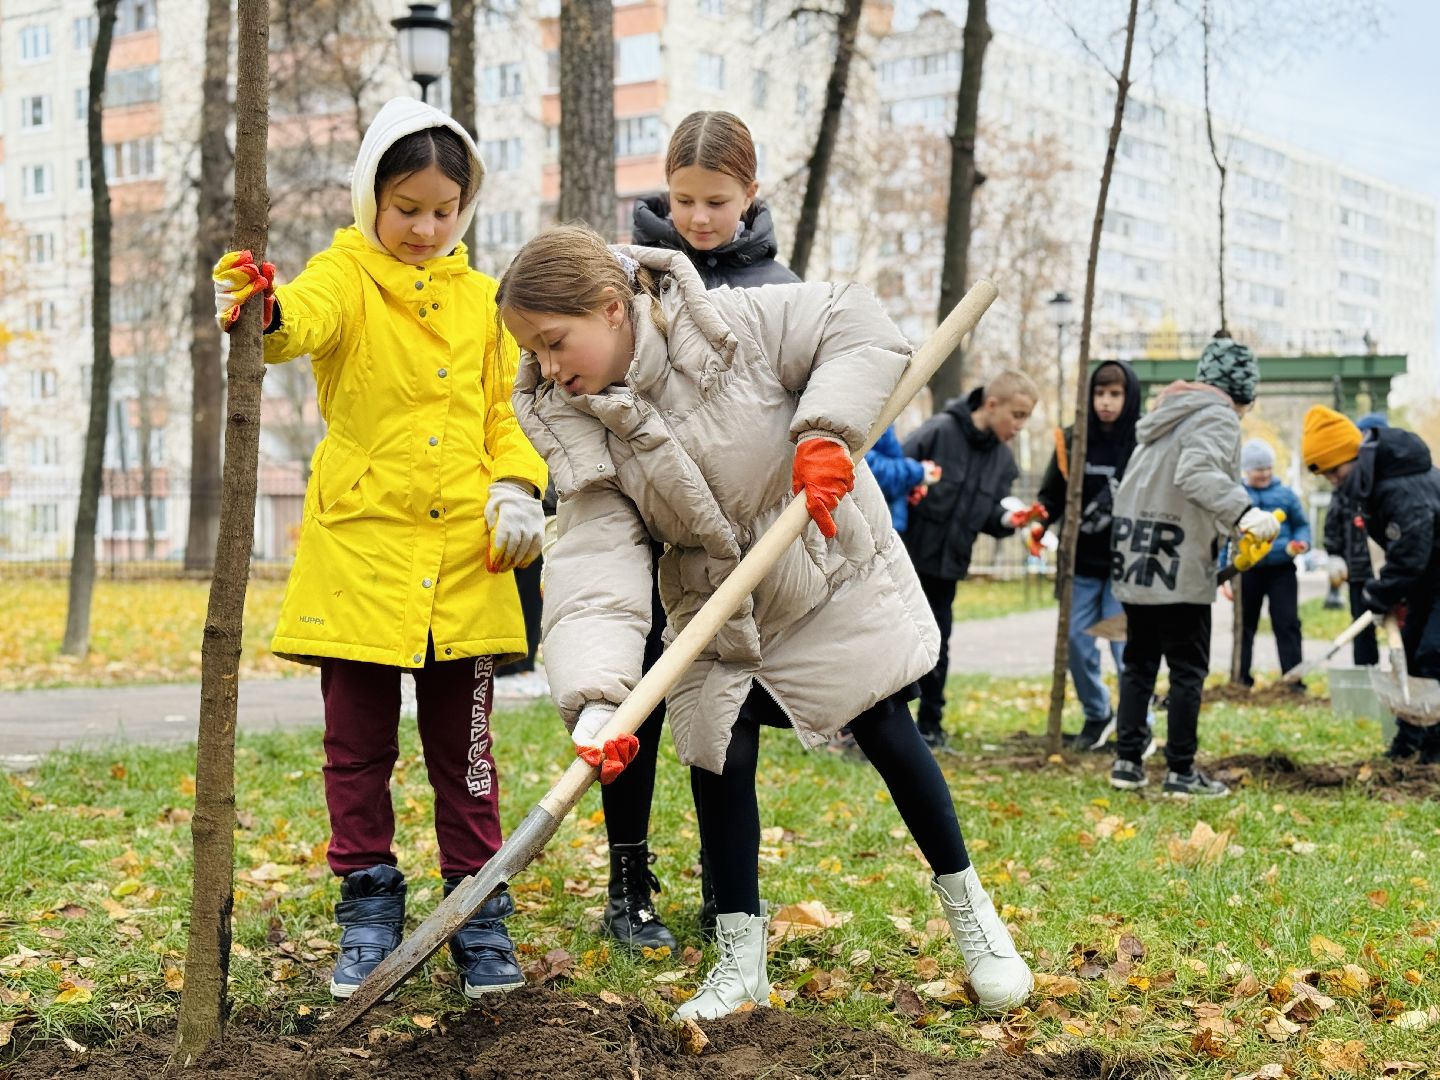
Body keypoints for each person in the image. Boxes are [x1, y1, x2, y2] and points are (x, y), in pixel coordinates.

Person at [498, 224, 1034, 1021]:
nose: (548, 367)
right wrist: (599, 698)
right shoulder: (579, 420)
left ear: (613, 309)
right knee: (718, 753)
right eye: (534, 353)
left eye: (553, 341)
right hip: (713, 602)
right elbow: (596, 565)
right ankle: (740, 962)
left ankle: (976, 920)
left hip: (817, 568)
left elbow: (856, 325)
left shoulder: (730, 325)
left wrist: (825, 431)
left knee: (886, 725)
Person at [212, 98, 548, 999]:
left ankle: (478, 917)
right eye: (407, 208)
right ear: (372, 198)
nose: (425, 228)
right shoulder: (345, 273)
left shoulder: (485, 300)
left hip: (466, 562)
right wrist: (258, 302)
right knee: (355, 750)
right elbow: (295, 326)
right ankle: (367, 910)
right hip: (361, 554)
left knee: (467, 757)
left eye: (443, 211)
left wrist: (518, 486)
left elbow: (504, 414)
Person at [1107, 336, 1280, 797]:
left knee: (1139, 664)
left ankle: (1127, 762)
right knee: (1187, 669)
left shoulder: (1165, 417)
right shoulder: (1217, 416)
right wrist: (1245, 513)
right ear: (1241, 390)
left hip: (1138, 559)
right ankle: (1180, 771)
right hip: (1178, 563)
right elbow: (1196, 474)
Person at [901, 372, 1038, 747]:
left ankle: (930, 725)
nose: (1020, 426)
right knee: (894, 644)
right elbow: (894, 477)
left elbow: (992, 514)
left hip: (948, 569)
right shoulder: (938, 433)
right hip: (905, 563)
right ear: (991, 405)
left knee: (937, 645)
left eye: (1027, 417)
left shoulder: (1003, 462)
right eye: (1018, 414)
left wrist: (1007, 520)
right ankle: (872, 727)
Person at [1303, 406, 1440, 763]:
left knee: (1431, 654)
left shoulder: (1399, 483)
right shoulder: (1371, 481)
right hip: (1427, 578)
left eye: (1335, 471)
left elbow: (1411, 549)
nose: (1334, 480)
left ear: (1352, 454)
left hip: (1431, 573)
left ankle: (1435, 745)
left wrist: (1379, 594)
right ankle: (1409, 741)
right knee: (1408, 656)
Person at [1035, 361, 1144, 750]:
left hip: (1125, 567)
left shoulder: (1143, 441)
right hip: (1080, 565)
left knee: (1124, 647)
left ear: (1129, 397)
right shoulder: (1073, 439)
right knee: (1078, 646)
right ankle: (1099, 715)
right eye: (1100, 394)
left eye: (1115, 394)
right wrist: (1039, 522)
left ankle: (1137, 725)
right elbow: (1051, 495)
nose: (1106, 402)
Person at [1224, 439, 1311, 688]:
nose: (1263, 473)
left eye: (1267, 468)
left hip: (1281, 570)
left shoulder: (1286, 495)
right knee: (1244, 625)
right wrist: (1226, 574)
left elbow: (1302, 525)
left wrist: (1301, 543)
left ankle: (1292, 679)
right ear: (1246, 470)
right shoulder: (1238, 496)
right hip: (1247, 570)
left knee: (1287, 623)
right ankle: (1240, 678)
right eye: (1257, 469)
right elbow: (1226, 538)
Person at [1323, 413, 1388, 667]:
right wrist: (1334, 554)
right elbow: (1333, 522)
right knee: (1362, 627)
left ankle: (1407, 676)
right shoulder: (1344, 484)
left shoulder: (1390, 480)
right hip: (1358, 570)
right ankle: (1365, 674)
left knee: (1405, 627)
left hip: (1390, 569)